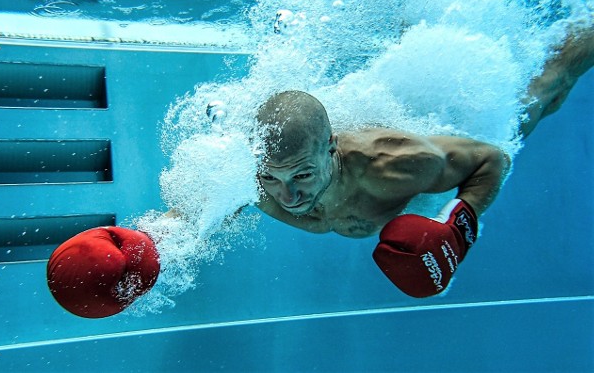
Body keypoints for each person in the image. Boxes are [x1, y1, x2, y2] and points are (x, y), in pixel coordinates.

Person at [47, 26, 594, 317]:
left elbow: (491, 158)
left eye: (302, 177)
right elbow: (188, 219)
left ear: (331, 151)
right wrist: (140, 249)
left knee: (544, 94)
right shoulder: (247, 173)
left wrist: (460, 225)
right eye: (271, 181)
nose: (287, 197)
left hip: (445, 115)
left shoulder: (394, 164)